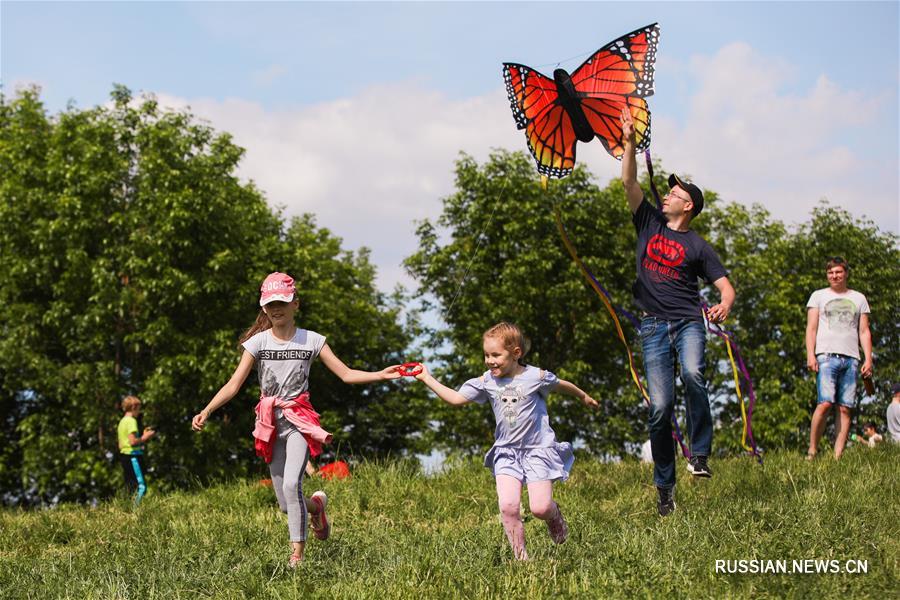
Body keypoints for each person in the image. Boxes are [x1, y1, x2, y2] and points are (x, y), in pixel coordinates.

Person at [191, 272, 402, 567]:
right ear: (264, 307)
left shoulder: (312, 340)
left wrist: (381, 374)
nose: (276, 309)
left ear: (295, 304)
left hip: (299, 421)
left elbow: (346, 373)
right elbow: (233, 384)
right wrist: (207, 410)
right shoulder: (258, 343)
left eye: (282, 303)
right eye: (270, 304)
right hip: (269, 424)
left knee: (292, 486)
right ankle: (317, 507)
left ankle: (297, 556)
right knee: (285, 504)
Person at [620, 108, 735, 517]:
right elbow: (629, 180)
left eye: (674, 193)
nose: (666, 194)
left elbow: (725, 287)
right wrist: (630, 140)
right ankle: (665, 488)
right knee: (660, 409)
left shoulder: (699, 247)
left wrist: (724, 304)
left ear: (687, 206)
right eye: (667, 191)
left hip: (688, 322)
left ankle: (700, 454)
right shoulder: (649, 221)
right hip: (652, 327)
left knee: (693, 374)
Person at [413, 322, 598, 560]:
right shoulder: (486, 381)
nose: (490, 361)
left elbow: (562, 386)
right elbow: (456, 399)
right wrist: (427, 378)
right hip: (506, 452)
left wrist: (583, 396)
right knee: (508, 506)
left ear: (516, 353)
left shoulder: (535, 377)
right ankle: (521, 559)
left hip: (537, 451)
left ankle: (554, 516)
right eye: (486, 355)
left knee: (539, 508)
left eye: (496, 355)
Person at [805, 256, 873, 460]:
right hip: (825, 356)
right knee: (825, 403)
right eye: (831, 273)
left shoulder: (859, 298)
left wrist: (868, 359)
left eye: (838, 272)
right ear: (827, 275)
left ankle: (837, 456)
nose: (834, 276)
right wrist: (811, 354)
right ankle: (812, 450)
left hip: (851, 358)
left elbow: (864, 331)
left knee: (845, 408)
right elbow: (811, 328)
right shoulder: (818, 296)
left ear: (846, 274)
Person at [117, 395, 156, 505]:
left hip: (124, 456)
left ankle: (126, 507)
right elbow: (133, 441)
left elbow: (120, 444)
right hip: (133, 456)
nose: (139, 412)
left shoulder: (122, 422)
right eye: (139, 408)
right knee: (141, 486)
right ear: (134, 407)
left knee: (130, 485)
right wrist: (145, 437)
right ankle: (134, 511)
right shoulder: (131, 421)